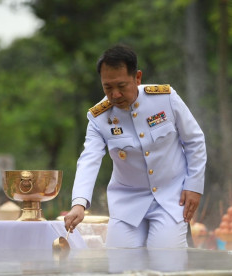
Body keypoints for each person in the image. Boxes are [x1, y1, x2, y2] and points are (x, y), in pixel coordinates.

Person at [64, 44, 206, 248]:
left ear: (137, 78)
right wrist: (78, 203)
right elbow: (89, 159)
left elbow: (194, 141)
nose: (115, 95)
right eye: (108, 87)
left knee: (165, 254)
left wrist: (194, 186)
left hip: (171, 196)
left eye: (121, 86)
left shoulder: (165, 98)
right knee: (120, 260)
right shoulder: (99, 117)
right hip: (128, 201)